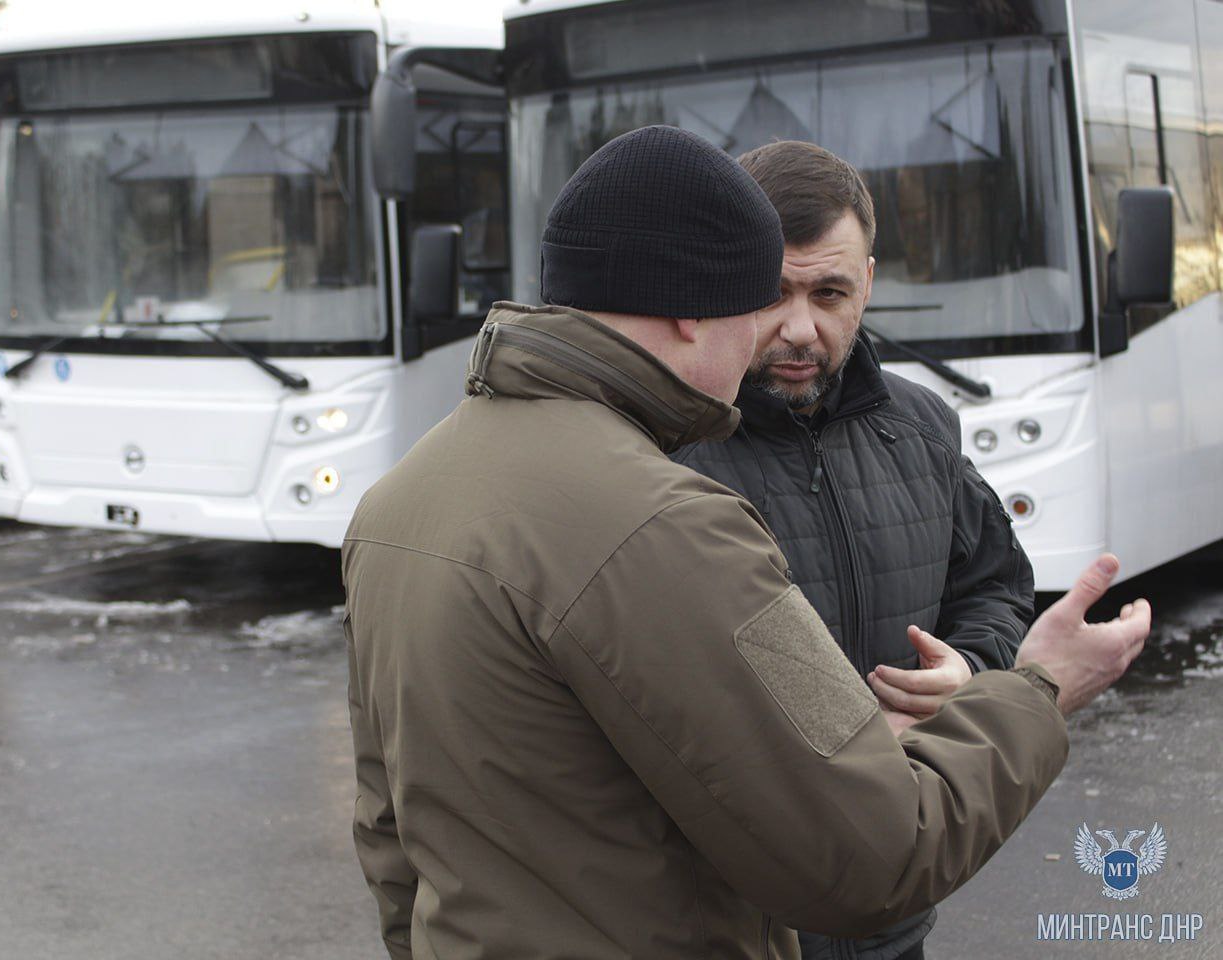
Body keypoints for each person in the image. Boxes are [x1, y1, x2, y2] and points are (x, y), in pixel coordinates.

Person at [343, 125, 1149, 960]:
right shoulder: (659, 517)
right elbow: (875, 858)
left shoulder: (399, 498)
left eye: (829, 295)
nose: (787, 334)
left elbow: (393, 833)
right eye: (758, 302)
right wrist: (1038, 689)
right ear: (696, 308)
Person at [672, 140, 1031, 960]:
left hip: (889, 915)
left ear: (866, 283)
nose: (800, 329)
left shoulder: (922, 425)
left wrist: (966, 671)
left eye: (829, 293)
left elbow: (996, 586)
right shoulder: (660, 448)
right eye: (773, 294)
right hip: (733, 930)